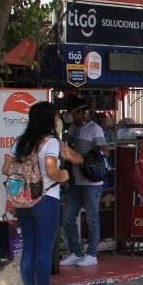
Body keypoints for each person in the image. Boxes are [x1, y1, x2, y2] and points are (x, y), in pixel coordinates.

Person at [2, 101, 79, 285]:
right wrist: (64, 175)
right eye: (56, 117)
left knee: (28, 248)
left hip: (23, 201)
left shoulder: (20, 142)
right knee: (44, 249)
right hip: (46, 200)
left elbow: (6, 169)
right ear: (50, 120)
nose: (58, 120)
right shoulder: (50, 142)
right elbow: (52, 171)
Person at [59, 99, 108, 268]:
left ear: (81, 112)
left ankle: (92, 253)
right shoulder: (72, 129)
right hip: (76, 182)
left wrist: (85, 158)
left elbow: (105, 151)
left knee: (91, 218)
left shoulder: (94, 129)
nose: (70, 116)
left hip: (91, 183)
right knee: (68, 217)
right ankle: (75, 252)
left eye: (72, 112)